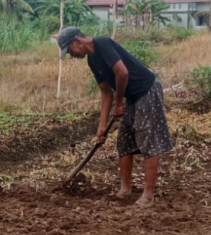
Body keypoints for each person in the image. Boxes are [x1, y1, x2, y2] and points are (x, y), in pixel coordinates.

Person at [58, 26, 173, 205]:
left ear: (77, 42)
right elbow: (106, 92)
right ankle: (125, 189)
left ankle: (148, 195)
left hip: (146, 90)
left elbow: (122, 73)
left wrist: (119, 104)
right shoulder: (92, 61)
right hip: (132, 96)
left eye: (70, 50)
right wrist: (101, 126)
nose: (72, 55)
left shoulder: (102, 43)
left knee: (147, 139)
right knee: (125, 141)